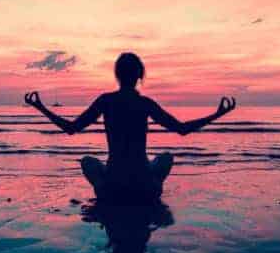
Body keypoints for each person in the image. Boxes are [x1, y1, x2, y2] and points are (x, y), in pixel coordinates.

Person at [24, 52, 236, 201]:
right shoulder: (144, 104)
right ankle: (151, 187)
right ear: (139, 76)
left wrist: (41, 107)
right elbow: (182, 129)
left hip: (112, 187)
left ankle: (102, 188)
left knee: (88, 161)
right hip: (145, 188)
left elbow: (71, 128)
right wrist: (217, 115)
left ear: (117, 75)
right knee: (166, 158)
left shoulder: (105, 101)